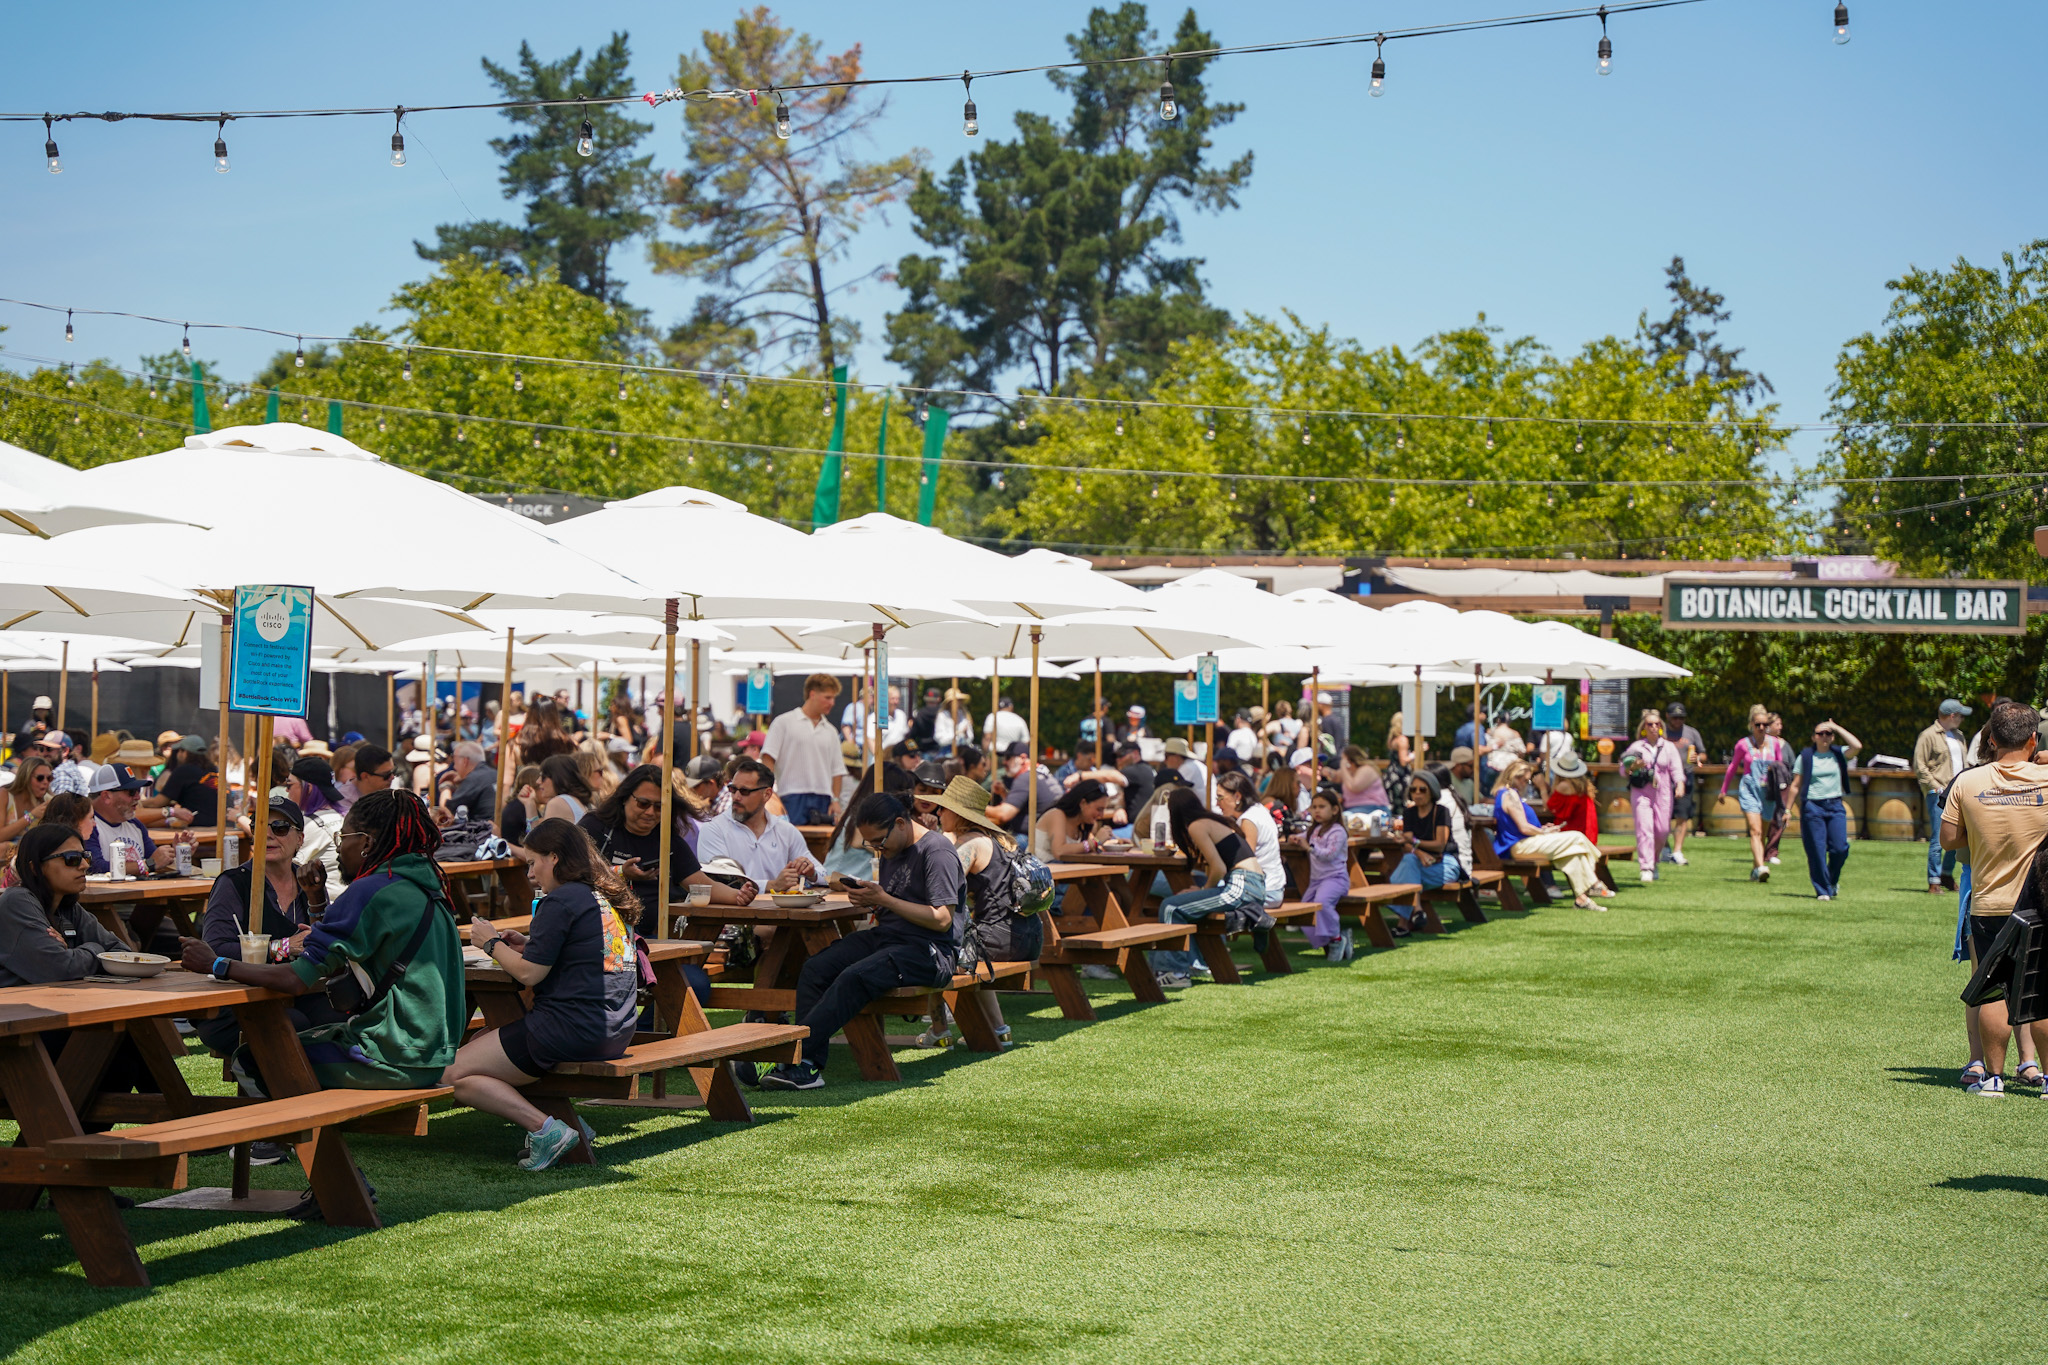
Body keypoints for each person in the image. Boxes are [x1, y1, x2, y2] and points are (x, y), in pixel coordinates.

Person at [177, 789, 465, 1141]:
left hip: (389, 1057)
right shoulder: (430, 885)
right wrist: (317, 905)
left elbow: (296, 980)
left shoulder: (372, 890)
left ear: (367, 843)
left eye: (343, 837)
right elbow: (344, 955)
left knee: (255, 1056)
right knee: (298, 1037)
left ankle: (284, 1152)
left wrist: (217, 964)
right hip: (432, 1055)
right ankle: (329, 1180)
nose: (338, 848)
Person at [448, 819, 641, 1169]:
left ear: (554, 858)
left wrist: (490, 943)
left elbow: (528, 974)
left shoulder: (561, 900)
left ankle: (546, 1129)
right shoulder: (599, 896)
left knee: (452, 1073)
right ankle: (568, 1122)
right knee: (490, 1042)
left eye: (533, 862)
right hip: (616, 1029)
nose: (530, 873)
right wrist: (531, 944)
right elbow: (578, 954)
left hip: (571, 1030)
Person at [761, 793, 962, 1090]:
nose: (877, 849)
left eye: (879, 841)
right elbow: (898, 900)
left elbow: (942, 918)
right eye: (871, 844)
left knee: (854, 977)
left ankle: (792, 1055)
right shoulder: (894, 847)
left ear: (900, 824)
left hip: (931, 950)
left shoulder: (937, 851)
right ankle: (808, 1065)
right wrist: (872, 898)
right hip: (890, 938)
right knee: (816, 967)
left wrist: (885, 899)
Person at [192, 799, 333, 1119]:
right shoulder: (234, 883)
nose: (269, 835)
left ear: (300, 839)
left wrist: (317, 902)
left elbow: (328, 945)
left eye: (280, 828)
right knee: (291, 1026)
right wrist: (281, 948)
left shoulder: (309, 881)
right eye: (260, 828)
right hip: (235, 1004)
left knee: (334, 1018)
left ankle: (323, 1107)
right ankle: (277, 1116)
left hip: (296, 995)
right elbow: (213, 949)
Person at [1940, 701, 2048, 1096]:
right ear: (2033, 738)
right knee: (2041, 993)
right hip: (2039, 905)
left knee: (1992, 990)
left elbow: (1948, 840)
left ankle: (1993, 1077)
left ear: (1990, 738)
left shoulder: (1967, 783)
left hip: (1988, 904)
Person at [923, 777, 1041, 1051]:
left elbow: (940, 888)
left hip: (1000, 940)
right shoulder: (1000, 840)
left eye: (944, 808)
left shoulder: (970, 845)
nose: (939, 813)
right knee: (971, 951)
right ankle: (1000, 1030)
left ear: (958, 813)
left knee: (933, 950)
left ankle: (939, 1031)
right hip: (1029, 936)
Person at [579, 763, 755, 936]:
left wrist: (738, 895)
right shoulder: (596, 827)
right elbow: (571, 870)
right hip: (598, 933)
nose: (650, 812)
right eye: (643, 803)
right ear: (625, 798)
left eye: (658, 807)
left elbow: (700, 883)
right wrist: (620, 872)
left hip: (652, 937)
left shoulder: (667, 840)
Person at [1144, 787, 1270, 990]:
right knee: (1180, 908)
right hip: (1252, 885)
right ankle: (1186, 965)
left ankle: (1174, 972)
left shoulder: (1196, 826)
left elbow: (1218, 867)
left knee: (1170, 907)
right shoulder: (1211, 822)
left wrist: (1203, 889)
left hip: (1241, 886)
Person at [1492, 761, 1609, 910]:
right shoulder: (1510, 794)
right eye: (1523, 780)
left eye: (1527, 780)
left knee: (1574, 854)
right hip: (1519, 846)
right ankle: (1595, 881)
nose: (1525, 784)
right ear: (1513, 777)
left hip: (1527, 842)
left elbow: (1522, 826)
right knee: (1577, 837)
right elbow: (1523, 828)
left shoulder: (1508, 794)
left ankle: (1582, 900)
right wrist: (1544, 832)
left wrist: (1542, 829)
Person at [696, 757, 818, 892]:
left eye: (744, 791)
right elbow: (718, 882)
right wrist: (772, 885)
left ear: (767, 794)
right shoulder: (714, 829)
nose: (736, 796)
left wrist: (811, 872)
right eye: (733, 789)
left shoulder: (786, 830)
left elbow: (823, 874)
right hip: (733, 912)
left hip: (779, 911)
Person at [1783, 719, 1863, 902]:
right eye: (1820, 733)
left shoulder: (1839, 753)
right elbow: (1795, 785)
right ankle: (1822, 890)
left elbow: (1857, 746)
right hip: (1812, 806)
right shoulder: (1806, 756)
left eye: (1828, 733)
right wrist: (1787, 809)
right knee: (1817, 850)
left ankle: (1832, 881)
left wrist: (1836, 727)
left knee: (1840, 848)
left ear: (1833, 737)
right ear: (1814, 737)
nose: (1824, 737)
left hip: (1835, 805)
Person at [763, 674, 847, 827]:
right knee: (789, 846)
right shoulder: (784, 722)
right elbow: (768, 758)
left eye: (833, 698)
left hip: (823, 798)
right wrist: (771, 793)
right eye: (827, 697)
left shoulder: (831, 731)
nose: (832, 703)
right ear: (812, 694)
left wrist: (835, 800)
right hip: (790, 796)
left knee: (820, 847)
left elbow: (837, 770)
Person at [1720, 706, 1791, 883]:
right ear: (1751, 724)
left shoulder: (1774, 743)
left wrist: (1784, 799)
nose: (1761, 728)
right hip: (1750, 789)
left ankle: (1755, 868)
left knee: (1764, 832)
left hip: (1768, 792)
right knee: (1755, 830)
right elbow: (1733, 767)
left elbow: (1780, 767)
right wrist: (1723, 790)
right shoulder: (1743, 744)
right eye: (1757, 724)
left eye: (1764, 724)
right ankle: (1761, 867)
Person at [1620, 710, 1685, 884]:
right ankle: (1646, 867)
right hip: (1642, 790)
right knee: (1645, 828)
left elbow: (1676, 769)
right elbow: (1623, 769)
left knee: (1662, 830)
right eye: (1650, 724)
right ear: (1644, 728)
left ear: (1662, 727)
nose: (1654, 727)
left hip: (1663, 791)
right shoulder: (1636, 747)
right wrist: (1633, 766)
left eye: (1657, 724)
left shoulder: (1668, 747)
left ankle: (1654, 859)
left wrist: (1679, 783)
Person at [1916, 698, 1971, 895]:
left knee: (1957, 835)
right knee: (1939, 838)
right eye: (1960, 716)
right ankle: (1933, 880)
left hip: (1958, 792)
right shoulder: (1928, 736)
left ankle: (1946, 874)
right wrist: (1936, 786)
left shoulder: (1959, 736)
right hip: (1937, 793)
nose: (1962, 720)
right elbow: (1920, 765)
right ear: (1952, 716)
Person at [84, 763, 172, 874]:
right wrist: (146, 865)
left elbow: (156, 859)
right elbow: (95, 867)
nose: (138, 797)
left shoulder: (135, 825)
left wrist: (178, 852)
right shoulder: (87, 825)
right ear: (106, 796)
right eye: (131, 792)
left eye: (138, 790)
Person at [1216, 770, 1285, 911]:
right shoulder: (1258, 810)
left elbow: (1245, 862)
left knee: (1204, 897)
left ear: (1237, 796)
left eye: (1220, 798)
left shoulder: (1248, 820)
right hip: (1273, 888)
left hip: (1264, 892)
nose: (1217, 804)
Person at [1298, 787, 1354, 959]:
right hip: (1316, 880)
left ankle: (1336, 939)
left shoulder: (1338, 831)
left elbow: (1329, 854)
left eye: (1322, 807)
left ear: (1335, 809)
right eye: (1314, 807)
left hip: (1335, 879)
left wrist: (1309, 848)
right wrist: (1296, 838)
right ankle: (1330, 941)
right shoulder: (1316, 830)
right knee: (1302, 913)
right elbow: (1303, 835)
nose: (1317, 811)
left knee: (1322, 903)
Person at [288, 756, 350, 903]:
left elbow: (282, 869)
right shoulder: (341, 818)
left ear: (307, 788)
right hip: (344, 902)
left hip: (326, 907)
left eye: (289, 784)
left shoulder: (309, 825)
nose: (286, 790)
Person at [987, 742, 1061, 839]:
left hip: (1032, 840)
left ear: (1022, 758)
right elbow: (1024, 806)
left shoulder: (1025, 778)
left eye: (1008, 758)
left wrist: (976, 806)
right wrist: (1004, 794)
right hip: (1051, 836)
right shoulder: (1040, 773)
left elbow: (1004, 814)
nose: (1004, 762)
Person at [1664, 702, 1705, 866]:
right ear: (1667, 716)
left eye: (1681, 718)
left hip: (1686, 776)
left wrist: (1698, 759)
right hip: (1664, 778)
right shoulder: (1661, 732)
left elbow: (1703, 754)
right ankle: (1664, 848)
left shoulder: (1692, 733)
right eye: (1674, 717)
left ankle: (1677, 851)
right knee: (1663, 816)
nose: (1678, 721)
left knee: (1683, 816)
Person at [1033, 778, 1112, 860]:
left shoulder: (1084, 825)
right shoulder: (1057, 815)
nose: (1101, 815)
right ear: (1083, 803)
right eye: (1099, 809)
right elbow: (1059, 852)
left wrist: (1115, 841)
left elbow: (1086, 848)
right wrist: (1095, 841)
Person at [152, 734, 219, 829]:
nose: (177, 754)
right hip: (217, 824)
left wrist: (139, 804)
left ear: (185, 752)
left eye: (179, 750)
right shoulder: (213, 769)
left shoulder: (184, 770)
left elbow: (157, 803)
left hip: (195, 825)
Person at [1544, 749, 1600, 841]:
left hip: (1574, 835)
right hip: (1587, 834)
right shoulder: (1583, 785)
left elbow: (1549, 806)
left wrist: (1542, 788)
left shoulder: (1564, 785)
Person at [437, 739, 497, 824]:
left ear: (465, 761)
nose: (454, 766)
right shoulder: (493, 773)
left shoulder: (474, 779)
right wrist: (462, 781)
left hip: (481, 831)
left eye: (455, 761)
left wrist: (446, 786)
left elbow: (446, 812)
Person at [523, 754, 592, 827]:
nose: (538, 781)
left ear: (557, 778)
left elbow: (541, 838)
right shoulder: (576, 801)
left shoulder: (558, 802)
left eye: (543, 776)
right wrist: (529, 804)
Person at [1111, 742, 1157, 836]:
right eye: (1116, 757)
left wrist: (1080, 776)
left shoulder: (1138, 770)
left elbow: (1108, 776)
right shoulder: (1148, 769)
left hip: (1138, 829)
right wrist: (1119, 808)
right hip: (1146, 827)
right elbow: (1121, 796)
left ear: (1135, 754)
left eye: (1121, 755)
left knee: (1103, 838)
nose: (1118, 760)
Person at [1337, 744, 1391, 817]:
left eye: (1343, 759)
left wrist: (1343, 767)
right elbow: (1336, 777)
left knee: (1344, 818)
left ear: (1349, 760)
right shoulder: (1351, 773)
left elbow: (1354, 787)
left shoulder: (1366, 769)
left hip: (1372, 808)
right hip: (1354, 808)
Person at [1160, 736, 1208, 804]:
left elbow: (1174, 793)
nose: (1165, 761)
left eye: (1166, 756)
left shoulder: (1187, 768)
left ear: (1176, 756)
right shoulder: (1192, 765)